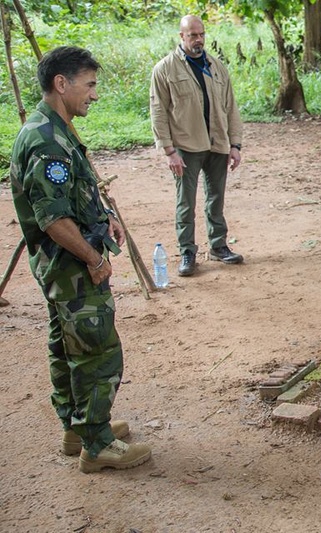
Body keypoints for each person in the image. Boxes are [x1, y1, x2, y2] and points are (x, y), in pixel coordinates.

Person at [10, 46, 152, 473]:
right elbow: (53, 220)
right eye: (89, 85)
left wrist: (104, 217)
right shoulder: (46, 141)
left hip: (60, 268)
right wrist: (94, 258)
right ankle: (97, 443)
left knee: (66, 346)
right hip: (70, 267)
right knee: (97, 351)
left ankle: (77, 429)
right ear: (62, 83)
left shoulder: (56, 128)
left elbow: (74, 195)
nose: (94, 94)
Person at [150, 15, 244, 277]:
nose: (198, 39)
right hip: (185, 147)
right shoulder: (165, 69)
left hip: (217, 144)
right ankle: (187, 251)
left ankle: (218, 245)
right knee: (186, 202)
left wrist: (235, 144)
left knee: (216, 198)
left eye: (201, 34)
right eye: (192, 35)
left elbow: (231, 108)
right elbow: (158, 111)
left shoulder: (216, 67)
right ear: (181, 36)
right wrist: (169, 151)